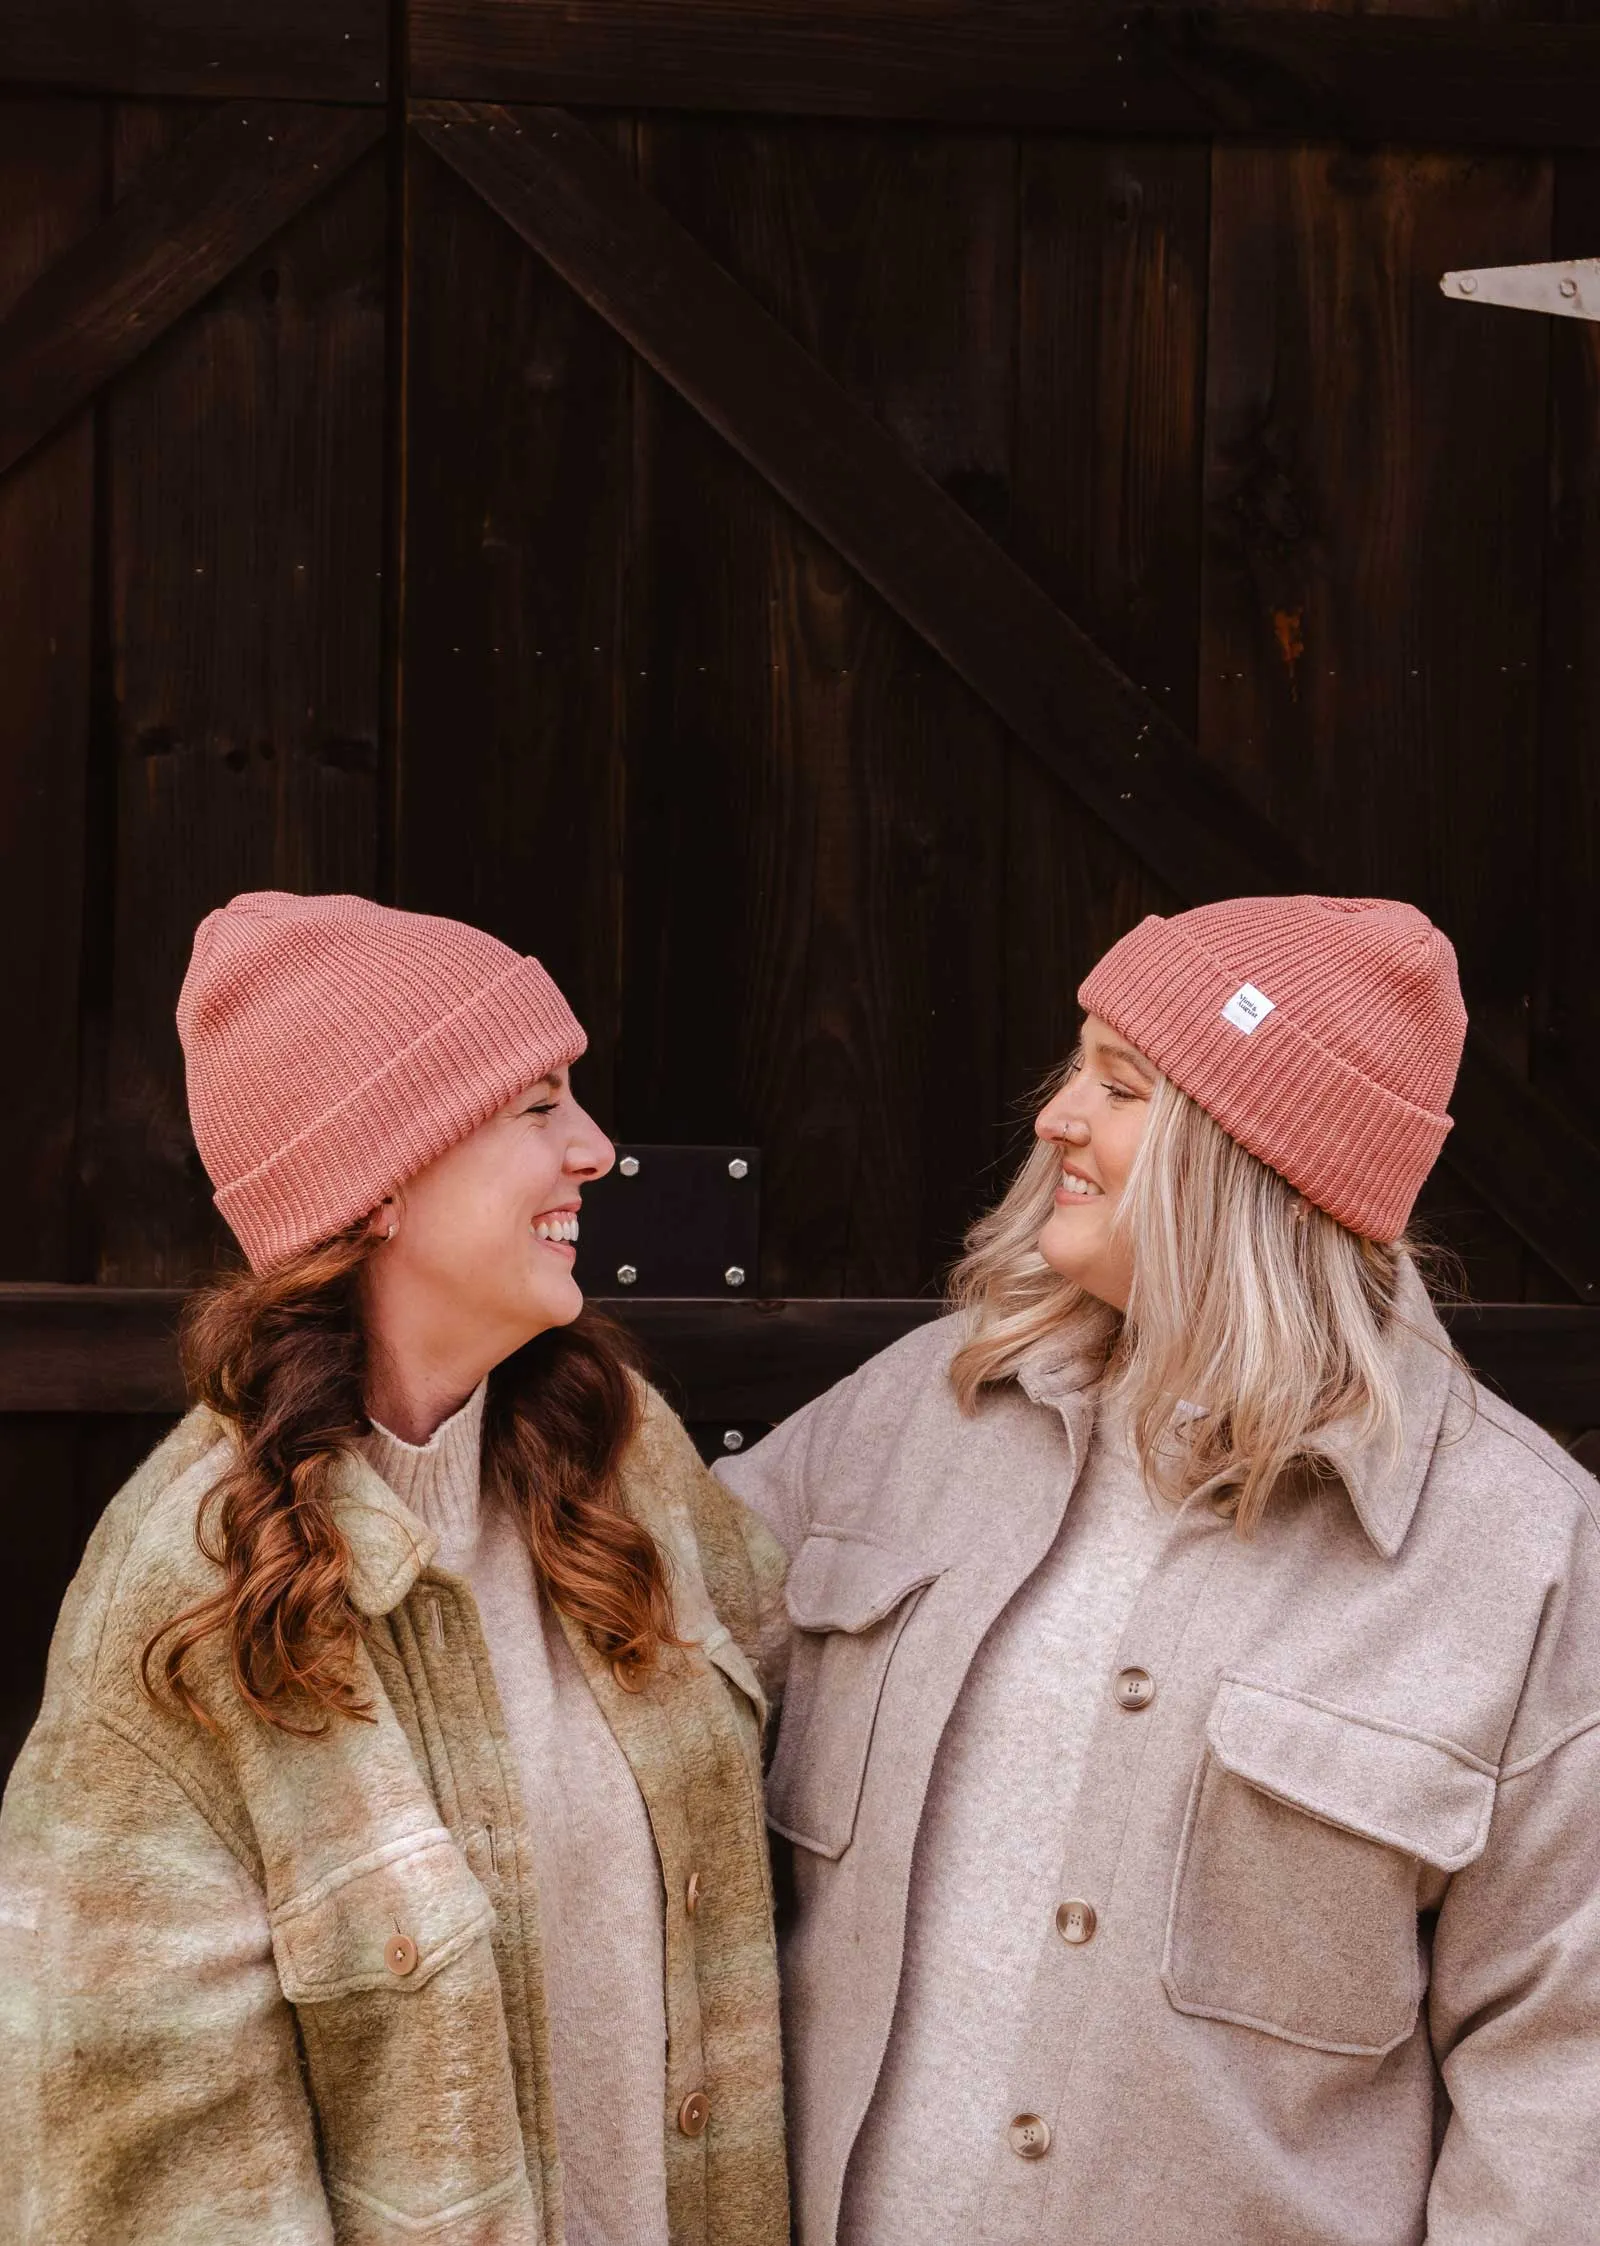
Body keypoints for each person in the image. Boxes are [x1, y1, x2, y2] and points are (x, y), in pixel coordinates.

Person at [718, 894, 1600, 2245]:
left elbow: (1559, 2089)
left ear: (1251, 1157)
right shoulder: (908, 1418)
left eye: (1119, 1087)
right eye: (1077, 1068)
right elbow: (623, 1658)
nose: (1056, 1117)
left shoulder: (1526, 1554)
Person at [0, 891, 789, 2246]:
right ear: (378, 1180)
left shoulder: (624, 1458)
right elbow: (144, 2194)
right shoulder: (189, 1600)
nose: (596, 1148)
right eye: (537, 1105)